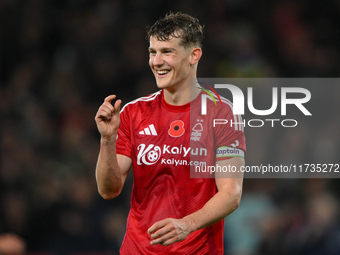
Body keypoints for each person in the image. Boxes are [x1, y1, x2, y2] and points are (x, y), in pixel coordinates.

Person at [94, 12, 246, 254]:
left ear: (194, 55)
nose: (156, 61)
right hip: (138, 249)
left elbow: (231, 194)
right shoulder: (134, 112)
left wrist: (187, 225)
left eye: (167, 52)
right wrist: (107, 139)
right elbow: (108, 190)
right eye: (153, 52)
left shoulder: (222, 113)